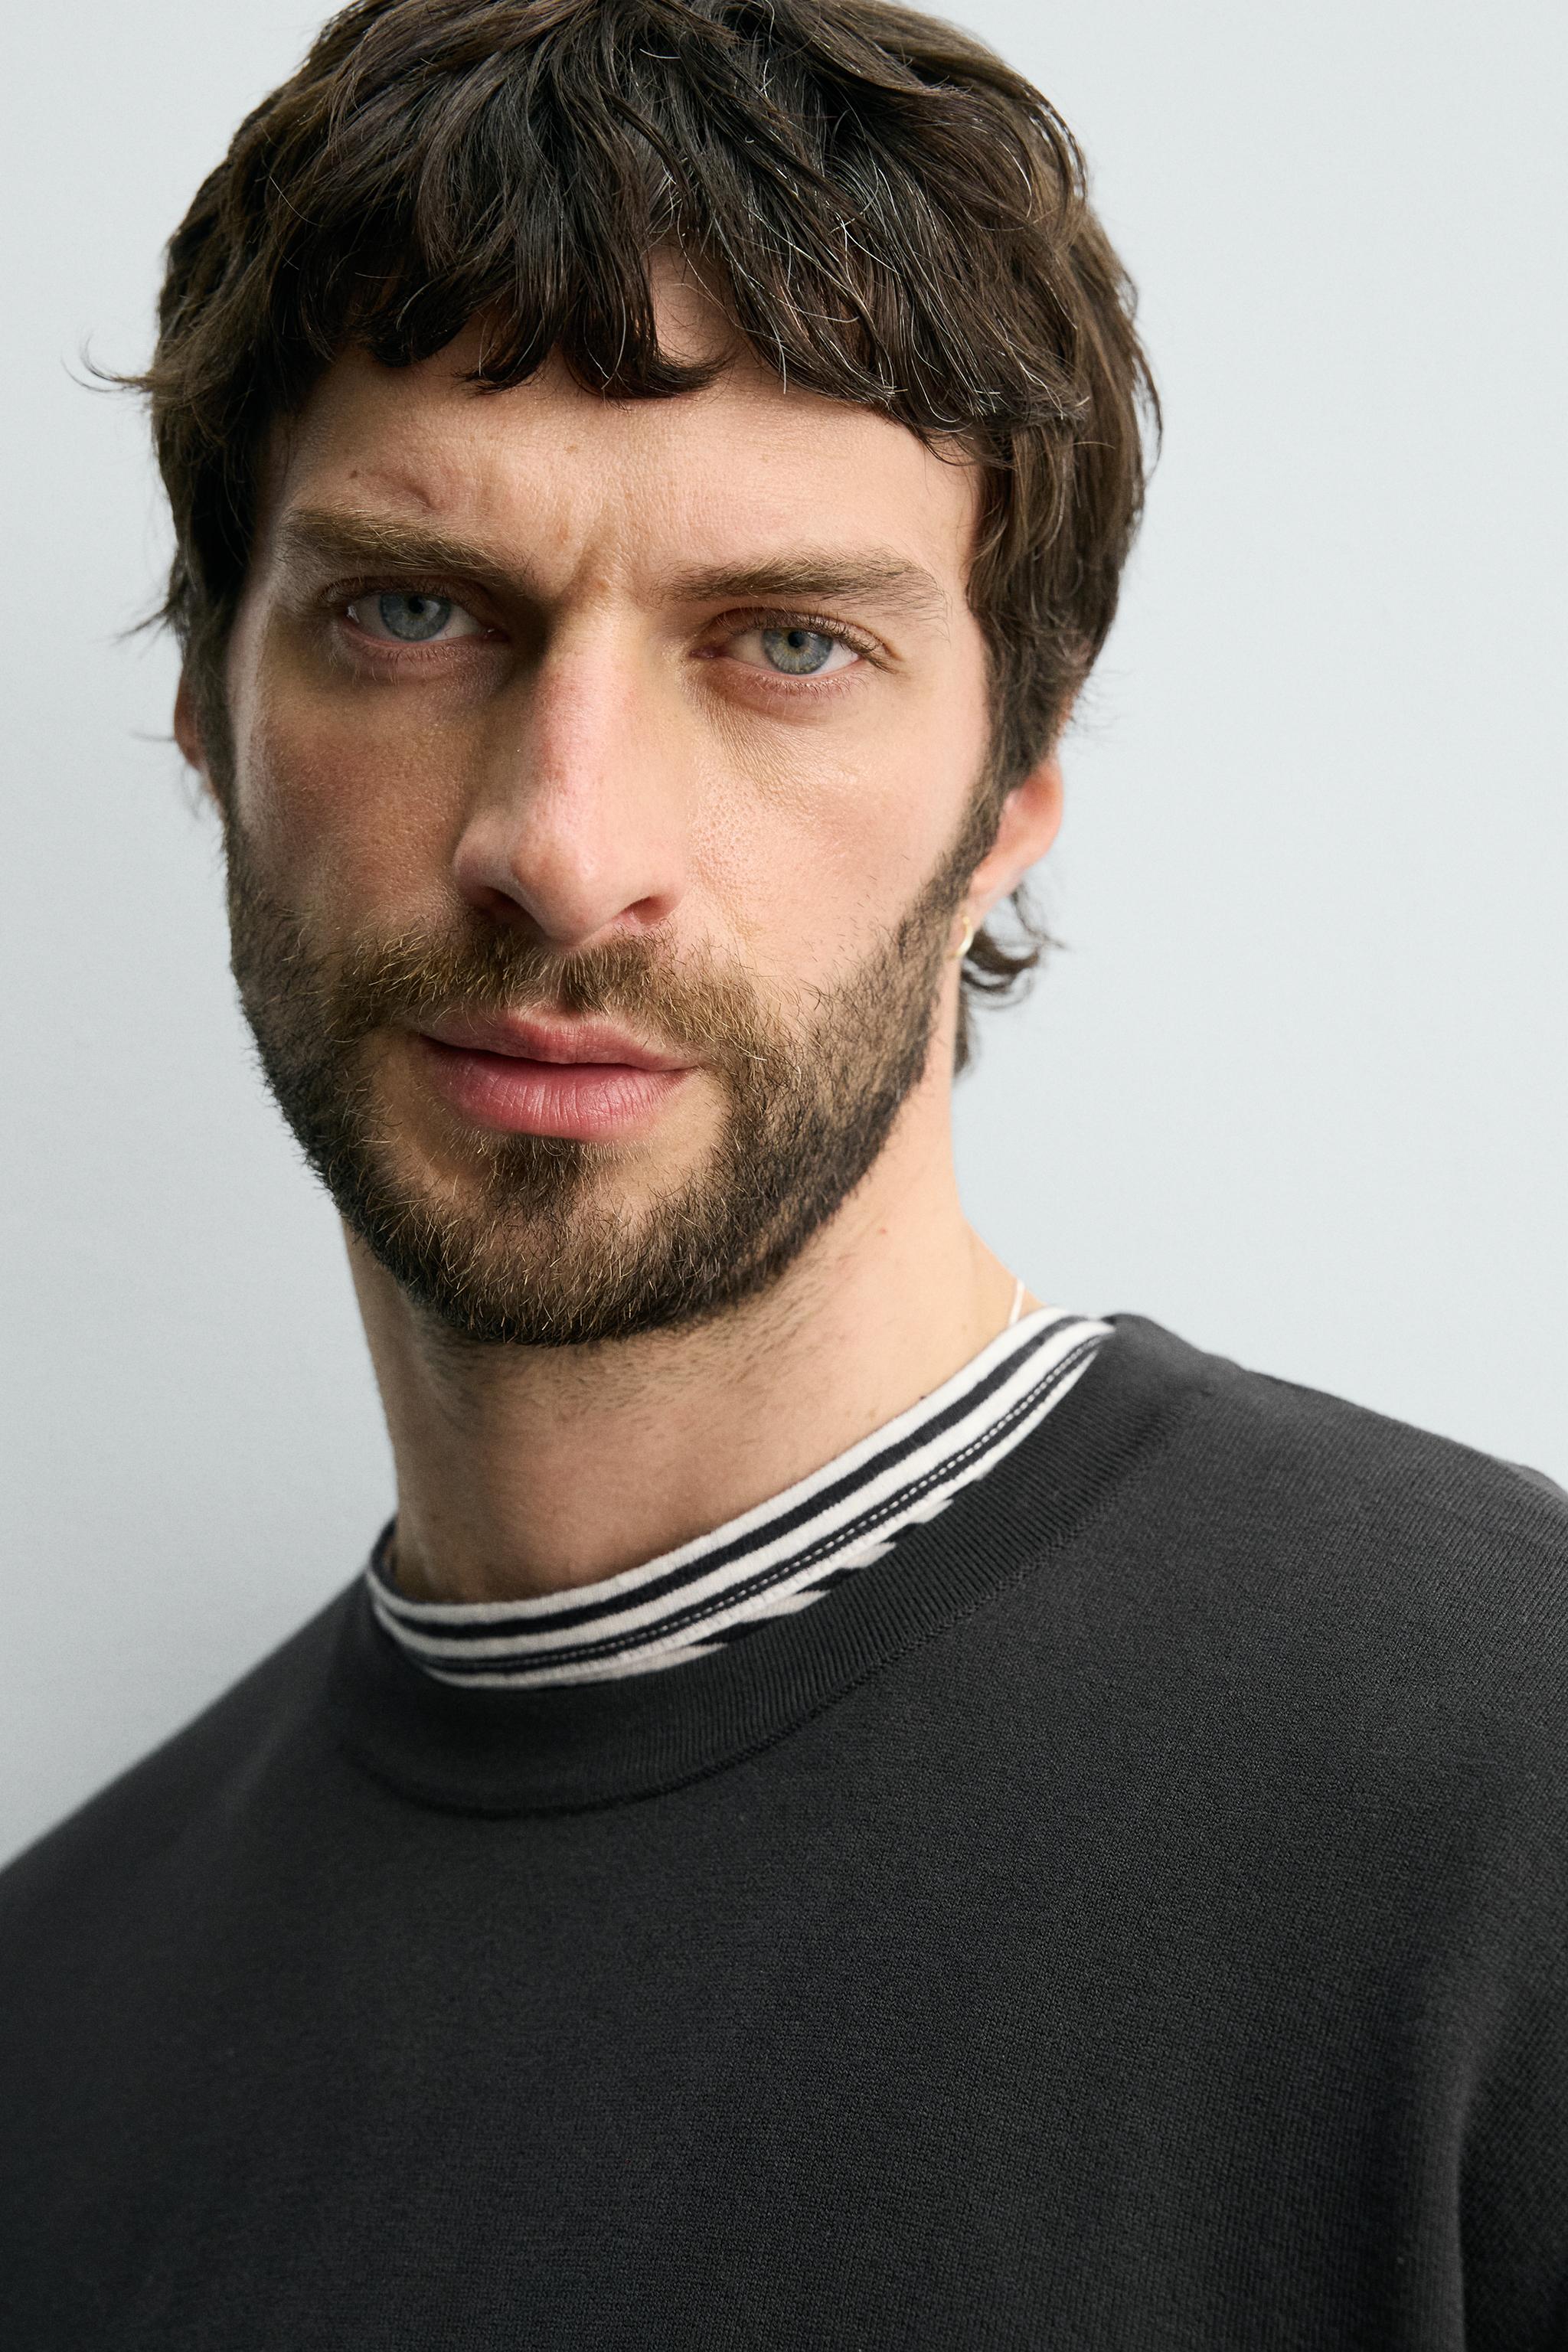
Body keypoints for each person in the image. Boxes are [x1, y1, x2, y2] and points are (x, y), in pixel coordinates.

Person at [2, 0, 1564, 2342]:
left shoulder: (1511, 1793)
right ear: (212, 701)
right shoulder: (52, 2039)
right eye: (414, 611)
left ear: (1015, 787)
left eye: (789, 645)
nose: (562, 846)